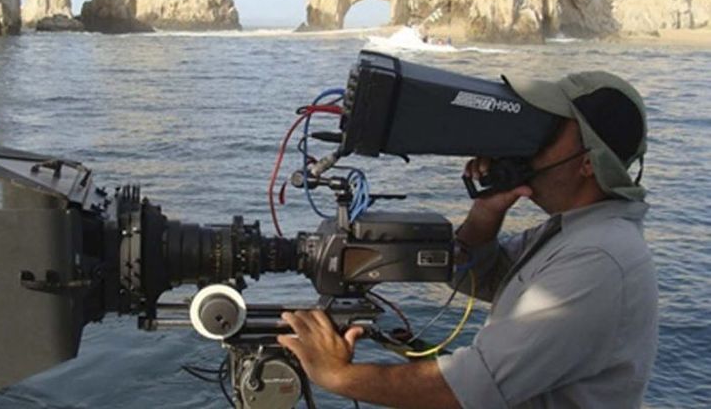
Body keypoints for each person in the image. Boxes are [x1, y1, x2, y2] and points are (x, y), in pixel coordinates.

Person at [277, 71, 658, 409]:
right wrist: (486, 212)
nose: (532, 141)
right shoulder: (575, 231)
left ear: (588, 162)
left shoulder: (598, 257)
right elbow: (475, 277)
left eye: (551, 131)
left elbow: (469, 391)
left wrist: (339, 376)